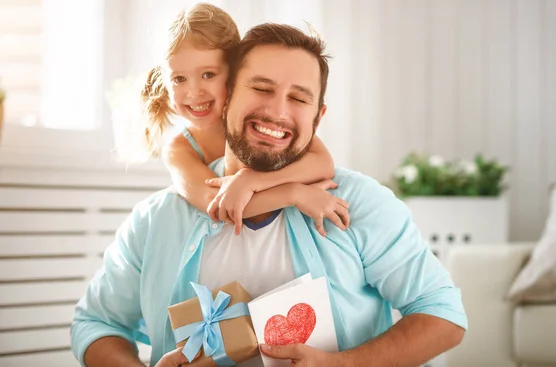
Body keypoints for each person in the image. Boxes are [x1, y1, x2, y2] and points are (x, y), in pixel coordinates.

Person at [71, 22, 467, 367]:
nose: (277, 112)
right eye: (261, 88)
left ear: (318, 116)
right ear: (224, 98)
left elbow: (443, 316)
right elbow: (95, 324)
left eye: (298, 98)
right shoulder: (156, 219)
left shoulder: (358, 203)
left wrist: (340, 365)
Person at [139, 3, 348, 237]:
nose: (194, 91)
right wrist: (293, 194)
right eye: (179, 79)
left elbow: (322, 163)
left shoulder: (258, 121)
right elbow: (216, 204)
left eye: (208, 74)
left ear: (234, 76)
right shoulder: (179, 148)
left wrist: (250, 180)